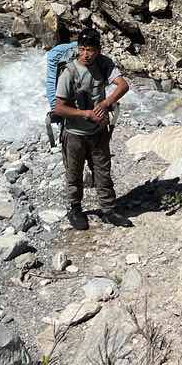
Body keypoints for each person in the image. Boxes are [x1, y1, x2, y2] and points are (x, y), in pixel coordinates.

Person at [53, 28, 131, 230]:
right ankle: (75, 209)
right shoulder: (69, 72)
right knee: (74, 174)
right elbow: (59, 108)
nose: (86, 54)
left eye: (90, 50)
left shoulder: (104, 64)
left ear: (98, 50)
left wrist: (106, 103)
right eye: (82, 49)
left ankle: (108, 210)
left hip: (98, 131)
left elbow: (123, 85)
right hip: (75, 134)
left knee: (103, 171)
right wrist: (85, 114)